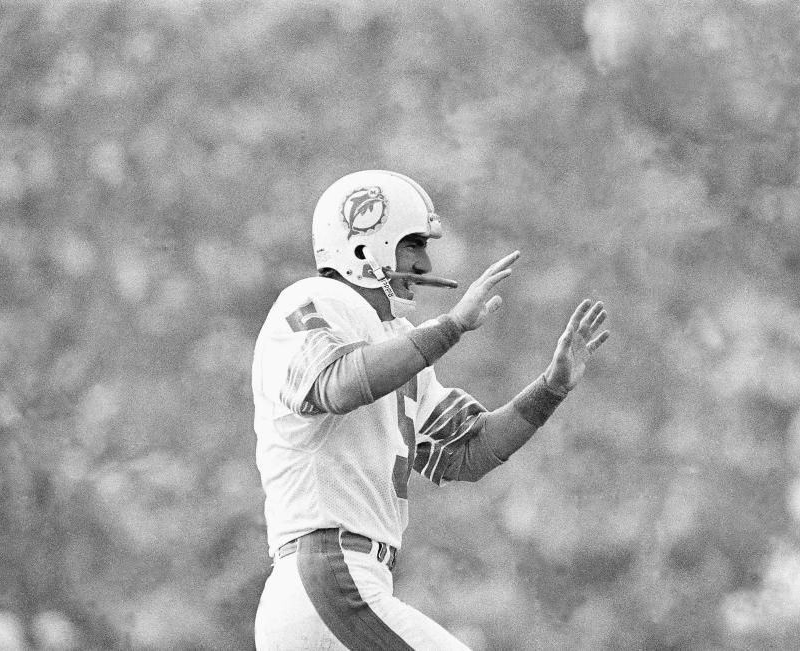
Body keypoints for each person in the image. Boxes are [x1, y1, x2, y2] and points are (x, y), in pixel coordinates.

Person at [251, 170, 609, 650]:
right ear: (365, 246)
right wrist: (453, 326)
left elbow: (466, 453)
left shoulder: (396, 341)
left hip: (341, 586)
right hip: (328, 578)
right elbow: (334, 384)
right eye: (412, 244)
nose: (423, 264)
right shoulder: (316, 299)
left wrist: (552, 387)